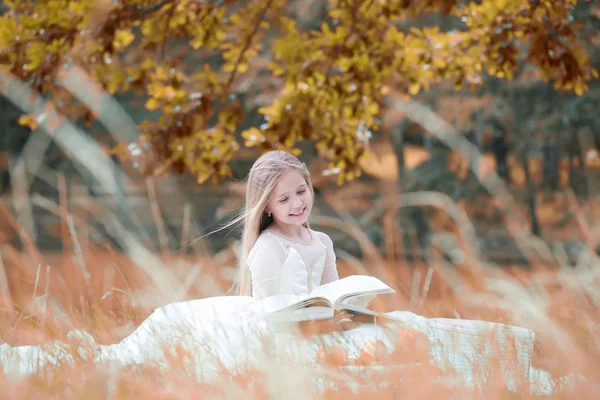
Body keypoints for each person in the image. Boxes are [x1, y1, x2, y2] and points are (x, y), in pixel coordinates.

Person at [0, 151, 558, 395]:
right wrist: (317, 320)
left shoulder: (323, 240)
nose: (298, 203)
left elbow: (337, 291)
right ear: (266, 204)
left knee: (413, 326)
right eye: (285, 197)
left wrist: (351, 307)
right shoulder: (265, 249)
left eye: (303, 191)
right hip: (282, 332)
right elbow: (272, 316)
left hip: (328, 323)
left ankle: (514, 353)